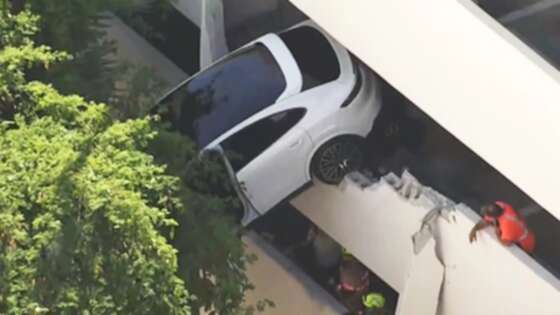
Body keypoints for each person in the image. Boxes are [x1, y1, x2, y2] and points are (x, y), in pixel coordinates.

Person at [469, 201, 535, 254]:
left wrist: (497, 234)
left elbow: (506, 243)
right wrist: (474, 229)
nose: (485, 216)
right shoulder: (499, 205)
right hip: (520, 230)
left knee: (528, 254)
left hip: (525, 242)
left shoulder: (507, 226)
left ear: (495, 217)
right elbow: (486, 221)